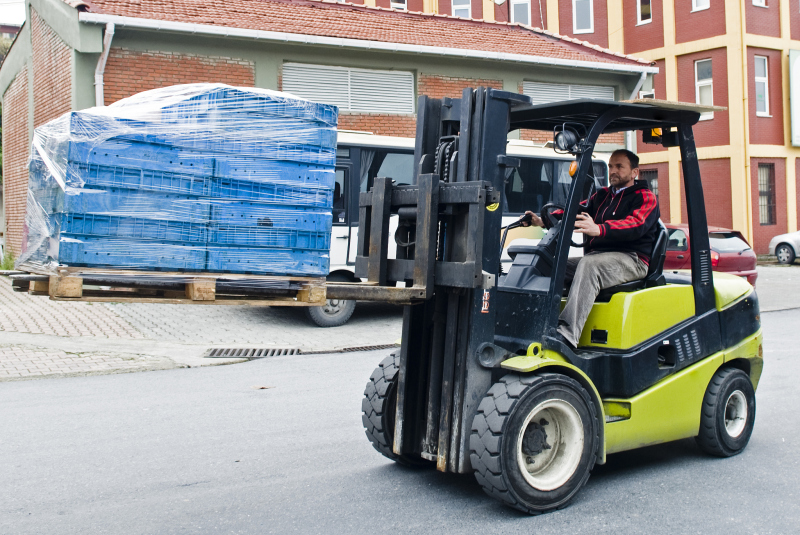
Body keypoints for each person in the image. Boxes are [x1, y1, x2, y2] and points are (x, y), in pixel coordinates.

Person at [521, 149, 660, 349]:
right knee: (547, 264)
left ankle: (566, 335)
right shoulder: (602, 196)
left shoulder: (645, 197)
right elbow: (572, 212)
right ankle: (534, 322)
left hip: (632, 259)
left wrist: (600, 229)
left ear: (634, 172)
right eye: (611, 166)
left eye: (619, 167)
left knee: (589, 264)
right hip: (601, 257)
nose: (613, 171)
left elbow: (636, 224)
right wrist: (541, 220)